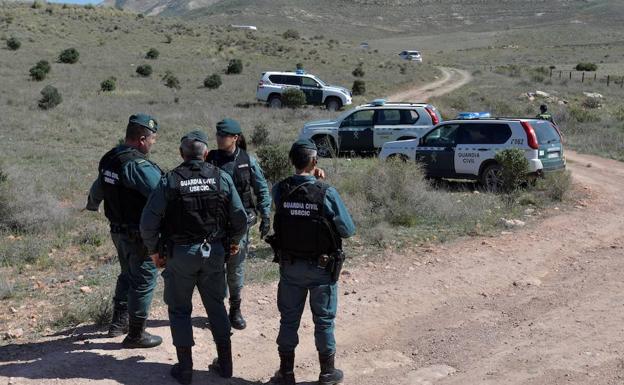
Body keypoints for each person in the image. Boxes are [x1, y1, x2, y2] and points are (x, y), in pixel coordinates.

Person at [140, 130, 248, 384]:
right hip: (214, 252)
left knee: (179, 310)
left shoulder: (170, 181)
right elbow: (240, 218)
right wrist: (233, 242)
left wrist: (154, 251)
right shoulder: (221, 177)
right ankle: (226, 364)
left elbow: (148, 223)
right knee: (216, 307)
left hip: (180, 255)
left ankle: (186, 369)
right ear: (207, 154)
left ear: (181, 154)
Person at [268, 139, 356, 385]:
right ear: (315, 161)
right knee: (324, 320)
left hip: (291, 267)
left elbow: (286, 201)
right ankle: (327, 373)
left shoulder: (280, 189)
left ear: (291, 161)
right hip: (321, 268)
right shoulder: (326, 192)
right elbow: (347, 229)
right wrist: (319, 182)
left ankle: (286, 374)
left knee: (288, 320)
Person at [85, 113, 163, 348]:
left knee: (127, 273)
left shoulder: (110, 158)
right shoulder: (137, 165)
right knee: (145, 279)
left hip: (117, 231)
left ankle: (119, 322)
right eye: (152, 139)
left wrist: (92, 204)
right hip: (138, 234)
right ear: (141, 139)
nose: (152, 143)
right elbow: (161, 193)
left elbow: (99, 186)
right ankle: (136, 334)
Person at [206, 118, 271, 330]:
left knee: (235, 268)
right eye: (217, 134)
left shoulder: (247, 161)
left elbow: (261, 190)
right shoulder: (210, 159)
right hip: (214, 224)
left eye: (223, 135)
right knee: (214, 268)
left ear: (235, 138)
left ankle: (235, 309)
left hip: (239, 225)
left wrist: (266, 215)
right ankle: (217, 310)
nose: (219, 138)